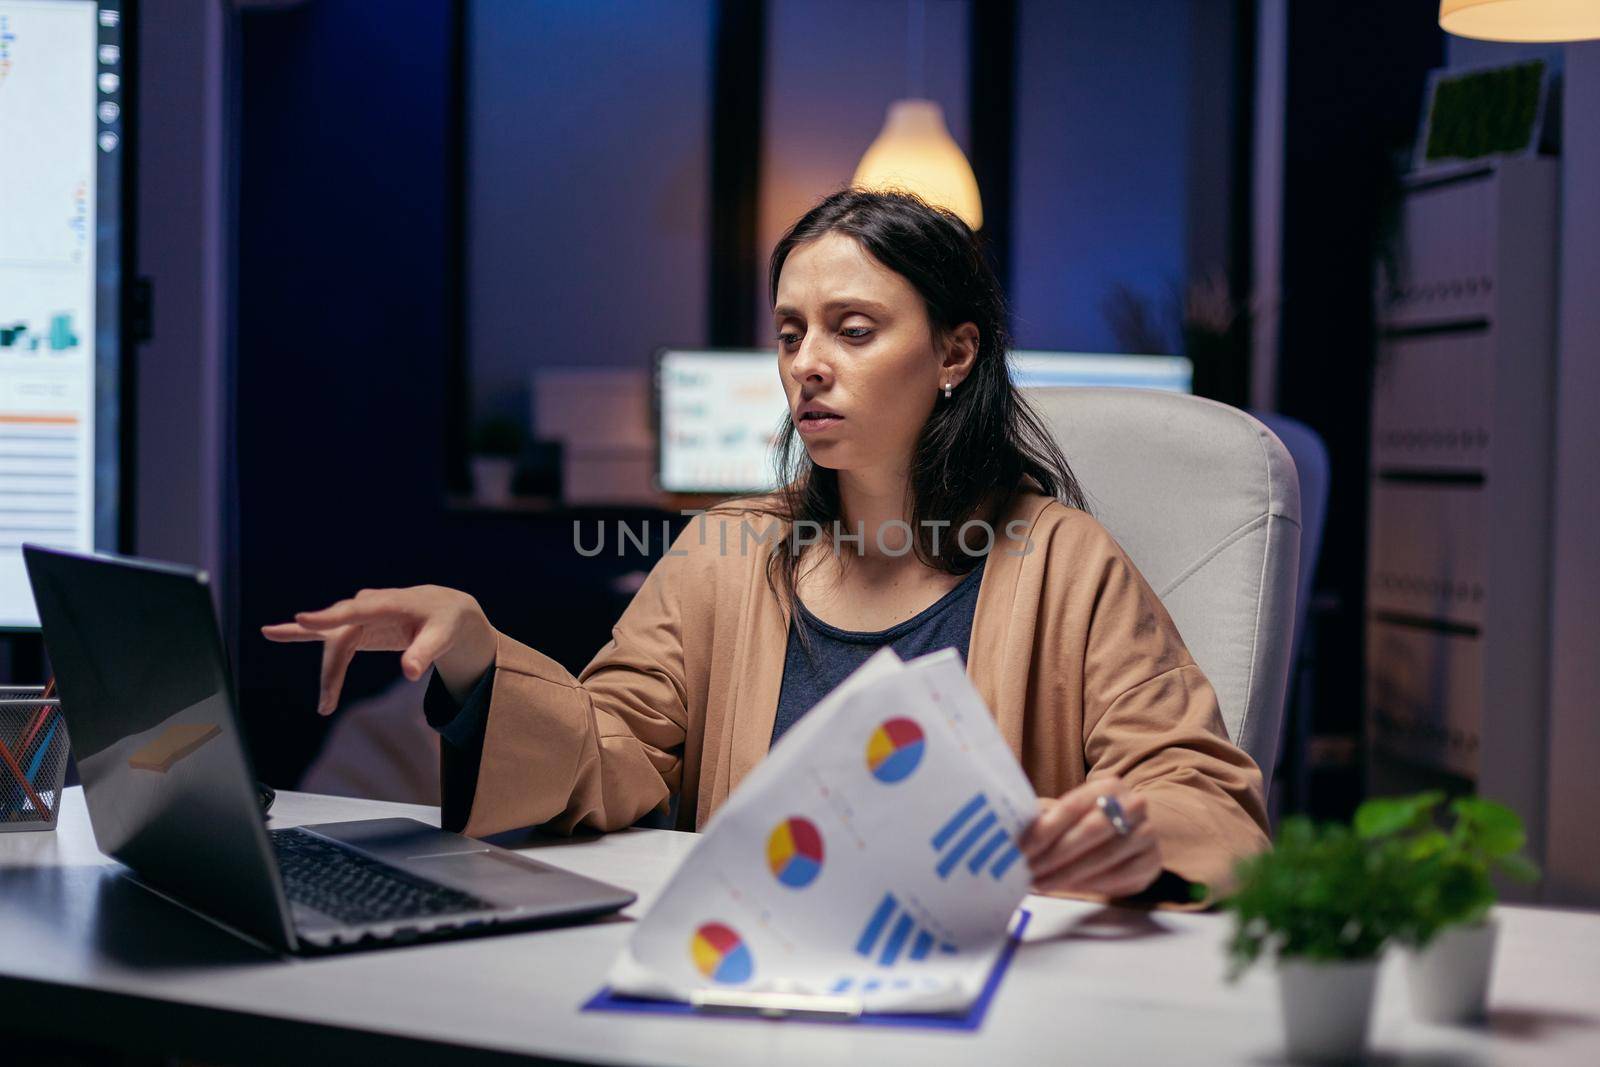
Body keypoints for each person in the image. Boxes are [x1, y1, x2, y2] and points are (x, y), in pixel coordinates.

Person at [266, 189, 1268, 904]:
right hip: (743, 982)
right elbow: (615, 753)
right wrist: (478, 656)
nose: (809, 366)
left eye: (853, 329)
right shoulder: (726, 550)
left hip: (976, 1006)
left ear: (956, 353)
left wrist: (1129, 827)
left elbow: (1208, 800)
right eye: (791, 334)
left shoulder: (1063, 559)